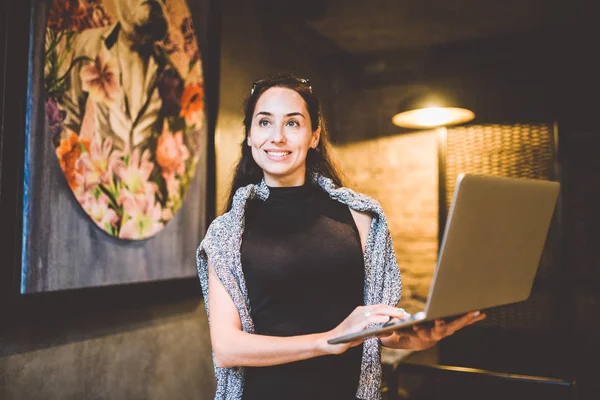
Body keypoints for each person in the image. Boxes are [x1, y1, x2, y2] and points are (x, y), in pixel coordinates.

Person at [196, 73, 486, 400]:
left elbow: (377, 329)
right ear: (249, 135)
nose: (277, 137)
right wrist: (328, 340)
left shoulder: (364, 218)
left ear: (314, 136)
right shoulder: (226, 234)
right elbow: (227, 348)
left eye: (292, 124)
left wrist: (417, 338)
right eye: (264, 123)